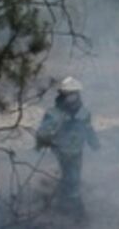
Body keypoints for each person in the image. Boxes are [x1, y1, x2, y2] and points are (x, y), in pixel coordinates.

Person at [35, 76, 100, 220]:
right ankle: (76, 211)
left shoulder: (83, 112)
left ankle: (61, 203)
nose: (71, 98)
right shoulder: (53, 113)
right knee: (72, 178)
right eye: (68, 94)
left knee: (71, 177)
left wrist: (95, 144)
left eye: (74, 94)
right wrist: (43, 141)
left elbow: (89, 129)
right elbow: (42, 132)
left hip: (77, 150)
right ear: (62, 95)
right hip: (61, 150)